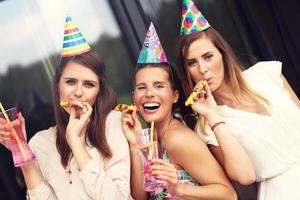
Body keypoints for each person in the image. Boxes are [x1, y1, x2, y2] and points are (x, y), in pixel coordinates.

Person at [176, 1, 300, 199]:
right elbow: (245, 176)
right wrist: (213, 115)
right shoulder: (207, 127)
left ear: (222, 55)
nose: (202, 69)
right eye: (192, 63)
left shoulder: (266, 73)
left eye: (208, 57)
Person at [0, 15, 131, 200]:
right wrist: (24, 156)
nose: (78, 92)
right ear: (57, 87)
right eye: (70, 82)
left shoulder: (113, 123)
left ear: (99, 91)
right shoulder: (40, 142)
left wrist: (75, 141)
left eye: (89, 84)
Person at [121, 22, 237, 200]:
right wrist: (134, 144)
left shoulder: (177, 139)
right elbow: (140, 196)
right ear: (133, 97)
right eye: (141, 88)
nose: (149, 94)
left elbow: (228, 194)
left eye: (159, 86)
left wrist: (179, 189)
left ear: (175, 96)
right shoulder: (150, 138)